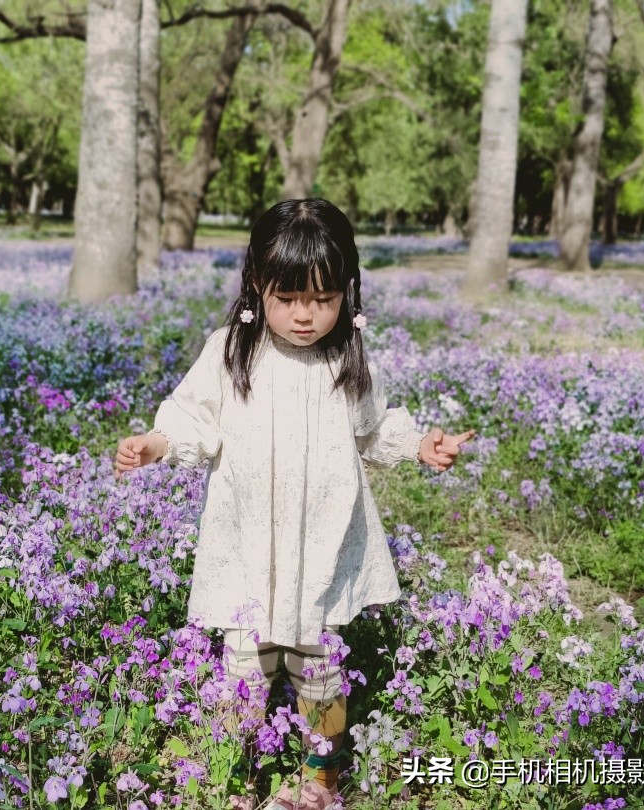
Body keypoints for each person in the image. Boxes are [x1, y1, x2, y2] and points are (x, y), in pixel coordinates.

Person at [114, 198, 474, 810]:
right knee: (243, 672)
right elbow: (191, 418)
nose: (306, 316)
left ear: (348, 293)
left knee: (321, 672)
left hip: (321, 545)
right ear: (258, 284)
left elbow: (373, 428)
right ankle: (239, 773)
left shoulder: (345, 359)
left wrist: (420, 444)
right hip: (248, 543)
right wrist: (156, 443)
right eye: (288, 299)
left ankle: (320, 780)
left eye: (324, 299)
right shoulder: (231, 351)